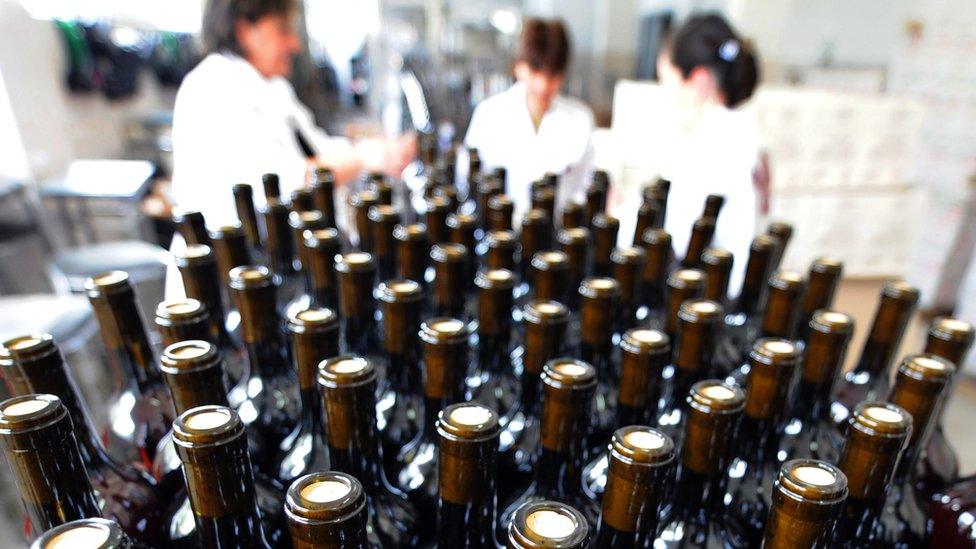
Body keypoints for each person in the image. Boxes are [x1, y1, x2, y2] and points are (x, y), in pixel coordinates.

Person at [170, 0, 415, 227]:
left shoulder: (274, 87)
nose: (295, 44)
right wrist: (362, 158)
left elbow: (319, 149)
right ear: (244, 30)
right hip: (226, 262)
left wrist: (376, 151)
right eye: (282, 30)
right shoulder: (214, 87)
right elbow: (285, 184)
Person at [654, 13, 763, 295]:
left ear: (698, 80)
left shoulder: (711, 146)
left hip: (710, 295)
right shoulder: (746, 135)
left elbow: (676, 240)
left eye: (668, 84)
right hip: (739, 289)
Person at [464, 18, 594, 221]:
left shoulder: (580, 120)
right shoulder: (490, 114)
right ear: (518, 66)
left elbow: (588, 188)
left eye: (552, 74)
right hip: (500, 231)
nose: (543, 85)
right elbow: (466, 181)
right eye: (536, 71)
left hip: (556, 237)